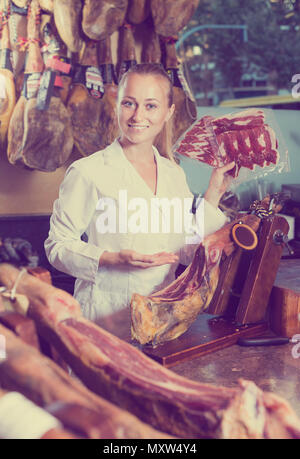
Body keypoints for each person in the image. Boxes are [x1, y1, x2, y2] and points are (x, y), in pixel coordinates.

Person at [45, 63, 235, 322]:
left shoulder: (173, 174)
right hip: (104, 317)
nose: (137, 116)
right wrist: (113, 258)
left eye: (151, 106)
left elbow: (186, 250)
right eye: (129, 103)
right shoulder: (88, 171)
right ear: (117, 105)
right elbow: (57, 246)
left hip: (162, 316)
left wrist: (214, 193)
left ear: (169, 112)